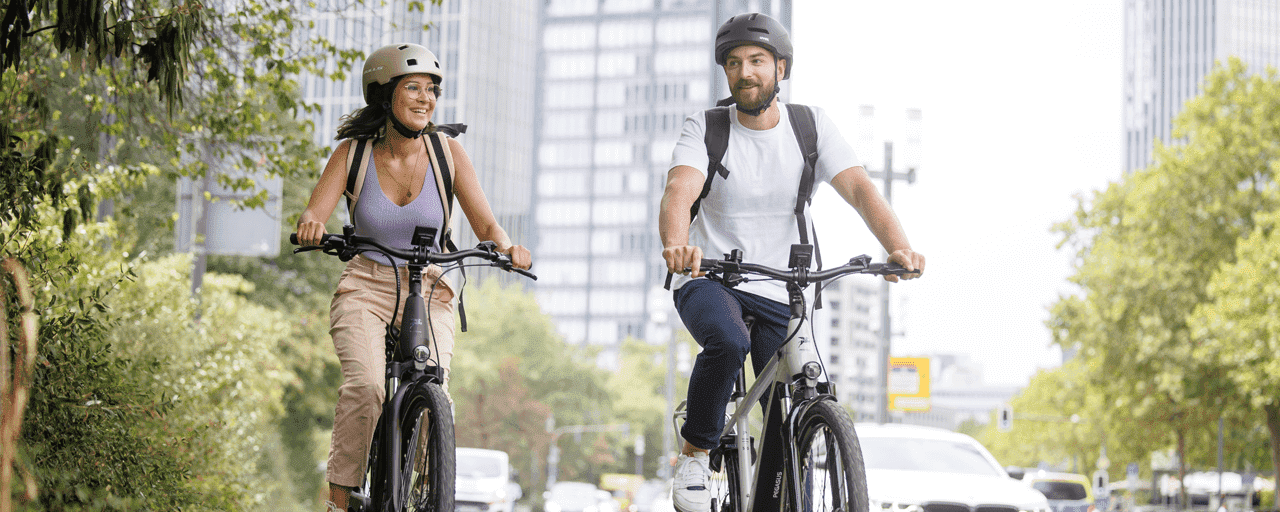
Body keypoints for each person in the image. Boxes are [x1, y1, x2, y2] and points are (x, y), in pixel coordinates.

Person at [658, 13, 925, 512]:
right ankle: (696, 453)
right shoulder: (707, 127)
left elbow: (861, 191)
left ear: (781, 68)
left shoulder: (810, 127)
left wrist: (899, 247)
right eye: (734, 64)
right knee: (729, 340)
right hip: (709, 276)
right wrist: (678, 244)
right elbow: (679, 190)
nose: (745, 73)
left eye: (757, 61)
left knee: (794, 393)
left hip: (784, 285)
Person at [294, 43, 532, 512]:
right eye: (413, 88)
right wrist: (312, 226)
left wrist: (507, 248)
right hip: (366, 286)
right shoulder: (353, 154)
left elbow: (486, 226)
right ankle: (339, 502)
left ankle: (423, 494)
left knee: (435, 389)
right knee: (365, 389)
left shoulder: (448, 154)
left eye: (432, 90)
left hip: (431, 286)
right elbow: (314, 212)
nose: (426, 99)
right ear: (385, 96)